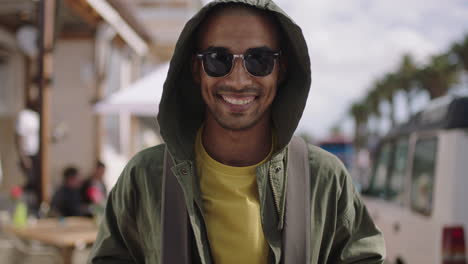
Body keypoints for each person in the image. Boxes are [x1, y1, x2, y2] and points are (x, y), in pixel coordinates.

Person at [89, 1, 386, 263]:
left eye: (260, 60)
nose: (239, 79)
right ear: (196, 69)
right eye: (219, 59)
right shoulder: (144, 177)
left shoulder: (324, 178)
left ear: (280, 70)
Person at [15, 100, 40, 210]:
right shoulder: (25, 115)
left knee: (37, 183)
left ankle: (31, 207)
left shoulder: (37, 116)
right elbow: (18, 136)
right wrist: (23, 156)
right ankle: (18, 199)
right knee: (32, 181)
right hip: (28, 154)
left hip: (37, 154)